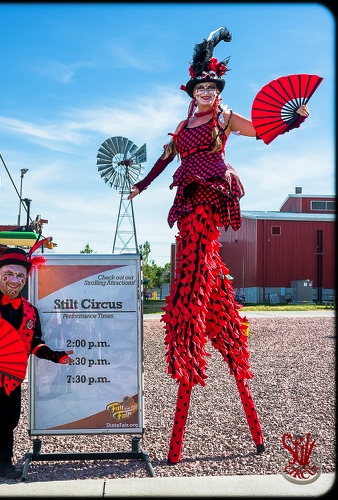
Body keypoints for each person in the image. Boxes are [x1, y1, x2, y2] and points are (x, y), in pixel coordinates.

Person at [128, 27, 309, 464]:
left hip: (213, 196)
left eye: (212, 87)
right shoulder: (183, 125)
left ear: (217, 89)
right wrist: (142, 185)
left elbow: (260, 129)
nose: (207, 93)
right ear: (192, 91)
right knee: (199, 281)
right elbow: (163, 161)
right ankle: (196, 320)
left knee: (194, 276)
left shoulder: (222, 118)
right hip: (188, 200)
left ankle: (191, 317)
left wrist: (292, 120)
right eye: (201, 88)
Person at [0, 248, 74, 482]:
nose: (15, 281)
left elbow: (35, 343)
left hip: (11, 378)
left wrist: (55, 355)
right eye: (9, 274)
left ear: (25, 279)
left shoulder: (31, 312)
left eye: (21, 276)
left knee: (7, 423)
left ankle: (4, 464)